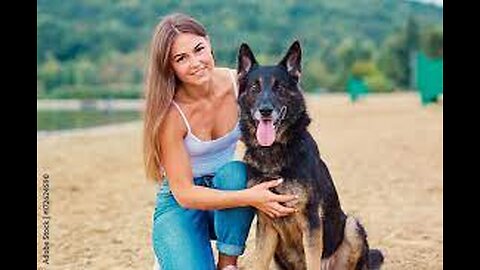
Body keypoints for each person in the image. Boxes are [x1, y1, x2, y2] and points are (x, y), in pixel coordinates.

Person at [143, 13, 298, 270]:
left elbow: (284, 122)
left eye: (198, 49)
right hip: (181, 203)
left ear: (209, 43)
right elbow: (184, 194)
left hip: (226, 192)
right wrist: (249, 197)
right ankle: (176, 250)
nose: (195, 63)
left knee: (237, 172)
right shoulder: (171, 114)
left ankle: (227, 264)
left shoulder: (240, 86)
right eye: (181, 58)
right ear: (169, 66)